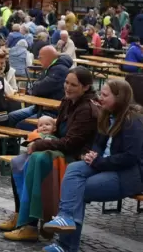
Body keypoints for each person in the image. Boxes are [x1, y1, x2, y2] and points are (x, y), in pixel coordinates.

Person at [41, 79, 143, 252]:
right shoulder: (107, 114)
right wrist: (93, 154)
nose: (100, 98)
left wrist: (99, 161)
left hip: (127, 174)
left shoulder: (133, 121)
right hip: (103, 165)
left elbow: (130, 157)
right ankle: (65, 218)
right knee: (73, 170)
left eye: (105, 95)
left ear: (119, 97)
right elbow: (99, 142)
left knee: (77, 189)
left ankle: (66, 245)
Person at [1, 67, 100, 242]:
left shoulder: (87, 109)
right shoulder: (68, 101)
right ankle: (20, 214)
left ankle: (31, 224)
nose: (67, 87)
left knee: (36, 159)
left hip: (76, 156)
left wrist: (41, 143)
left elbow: (72, 144)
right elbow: (60, 133)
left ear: (85, 87)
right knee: (18, 161)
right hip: (62, 149)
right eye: (66, 83)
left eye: (73, 85)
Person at [8, 46, 73, 130]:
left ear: (48, 57)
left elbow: (39, 88)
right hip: (39, 107)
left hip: (52, 111)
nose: (38, 60)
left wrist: (35, 87)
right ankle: (10, 143)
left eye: (40, 57)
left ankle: (34, 142)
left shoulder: (59, 69)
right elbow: (38, 86)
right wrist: (35, 87)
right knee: (12, 116)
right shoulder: (51, 67)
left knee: (21, 125)